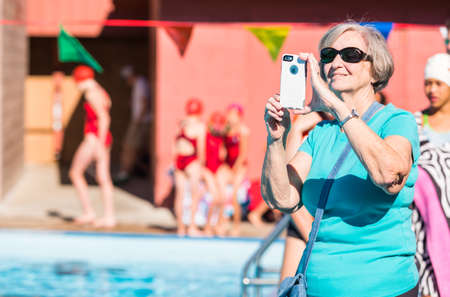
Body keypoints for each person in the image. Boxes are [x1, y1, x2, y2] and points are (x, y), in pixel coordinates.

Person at [262, 22, 420, 296]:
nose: (336, 62)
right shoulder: (322, 133)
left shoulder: (397, 121)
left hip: (384, 289)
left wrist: (335, 105)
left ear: (375, 69)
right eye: (328, 55)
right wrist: (276, 139)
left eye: (350, 55)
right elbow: (282, 198)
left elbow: (388, 175)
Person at [412, 53, 450, 297]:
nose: (432, 89)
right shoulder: (413, 123)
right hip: (421, 231)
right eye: (428, 83)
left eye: (438, 83)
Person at [69, 65, 116, 228]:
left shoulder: (91, 94)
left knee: (75, 173)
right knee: (103, 177)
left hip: (94, 139)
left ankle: (89, 211)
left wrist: (99, 145)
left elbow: (104, 118)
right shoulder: (101, 90)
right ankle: (109, 216)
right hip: (101, 139)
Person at [172, 98, 206, 236]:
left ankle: (180, 227)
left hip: (179, 159)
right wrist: (202, 165)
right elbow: (201, 148)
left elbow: (174, 144)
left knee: (179, 195)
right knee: (194, 194)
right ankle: (191, 226)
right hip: (192, 160)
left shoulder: (181, 124)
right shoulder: (200, 126)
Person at [114, 65, 151, 183]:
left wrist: (138, 121)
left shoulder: (141, 84)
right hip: (139, 121)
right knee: (134, 147)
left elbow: (145, 102)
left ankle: (125, 172)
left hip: (140, 121)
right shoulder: (138, 84)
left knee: (129, 146)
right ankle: (128, 171)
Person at [222, 103, 250, 236]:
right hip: (228, 165)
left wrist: (235, 170)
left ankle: (236, 226)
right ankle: (222, 223)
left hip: (239, 166)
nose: (230, 117)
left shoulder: (243, 131)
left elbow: (243, 153)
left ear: (239, 116)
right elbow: (223, 150)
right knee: (222, 194)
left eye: (233, 115)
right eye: (229, 114)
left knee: (234, 196)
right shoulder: (226, 130)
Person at [202, 111, 227, 236]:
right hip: (207, 170)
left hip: (217, 169)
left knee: (223, 197)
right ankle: (208, 226)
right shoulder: (205, 135)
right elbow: (202, 158)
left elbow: (222, 157)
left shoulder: (220, 138)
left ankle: (218, 224)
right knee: (215, 198)